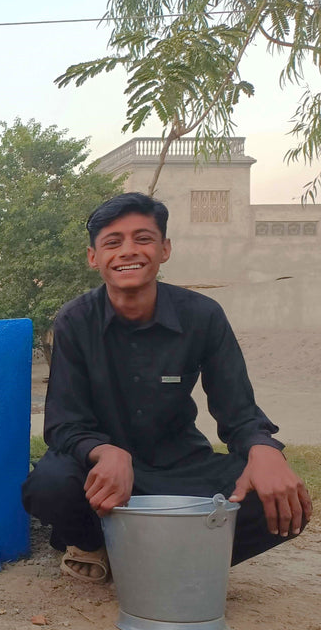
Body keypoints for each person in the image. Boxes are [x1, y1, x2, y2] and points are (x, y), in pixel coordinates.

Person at [22, 192, 312, 583]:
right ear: (94, 257)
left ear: (164, 249)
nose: (128, 250)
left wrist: (265, 451)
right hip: (101, 471)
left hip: (180, 468)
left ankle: (146, 556)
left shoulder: (203, 316)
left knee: (284, 500)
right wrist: (106, 452)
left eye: (143, 238)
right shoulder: (75, 320)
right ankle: (94, 544)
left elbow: (239, 413)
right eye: (113, 242)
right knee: (50, 484)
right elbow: (64, 424)